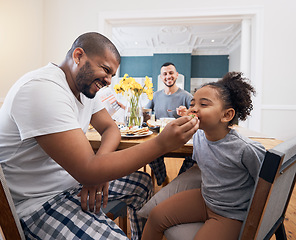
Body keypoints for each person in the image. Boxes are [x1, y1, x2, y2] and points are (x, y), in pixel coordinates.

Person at [0, 32, 199, 240]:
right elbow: (88, 170)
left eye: (112, 74)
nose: (109, 81)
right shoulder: (43, 89)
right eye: (105, 70)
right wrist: (162, 143)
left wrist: (100, 168)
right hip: (37, 203)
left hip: (73, 181)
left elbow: (110, 128)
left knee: (142, 184)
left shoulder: (85, 90)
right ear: (78, 56)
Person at [141, 72, 266, 240]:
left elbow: (266, 182)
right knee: (155, 216)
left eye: (204, 104)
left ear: (227, 115)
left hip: (231, 214)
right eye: (193, 104)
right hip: (205, 199)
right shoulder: (199, 136)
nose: (193, 109)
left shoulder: (245, 149)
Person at [146, 62, 195, 186]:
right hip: (161, 138)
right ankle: (163, 180)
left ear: (177, 75)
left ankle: (178, 183)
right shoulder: (155, 96)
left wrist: (187, 113)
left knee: (195, 155)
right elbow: (144, 114)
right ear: (161, 77)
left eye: (171, 73)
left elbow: (198, 116)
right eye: (165, 74)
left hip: (182, 139)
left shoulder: (187, 96)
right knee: (150, 153)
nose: (168, 76)